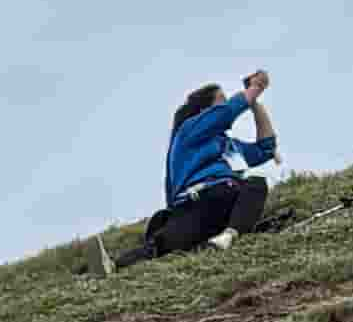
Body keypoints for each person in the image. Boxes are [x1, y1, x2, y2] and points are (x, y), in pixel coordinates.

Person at [106, 71, 279, 270]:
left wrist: (254, 102)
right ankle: (112, 266)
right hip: (196, 204)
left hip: (226, 200)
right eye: (221, 101)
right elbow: (226, 113)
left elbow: (266, 148)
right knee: (161, 245)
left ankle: (228, 236)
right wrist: (254, 89)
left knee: (256, 183)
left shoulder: (229, 145)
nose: (226, 104)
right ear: (203, 111)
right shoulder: (189, 131)